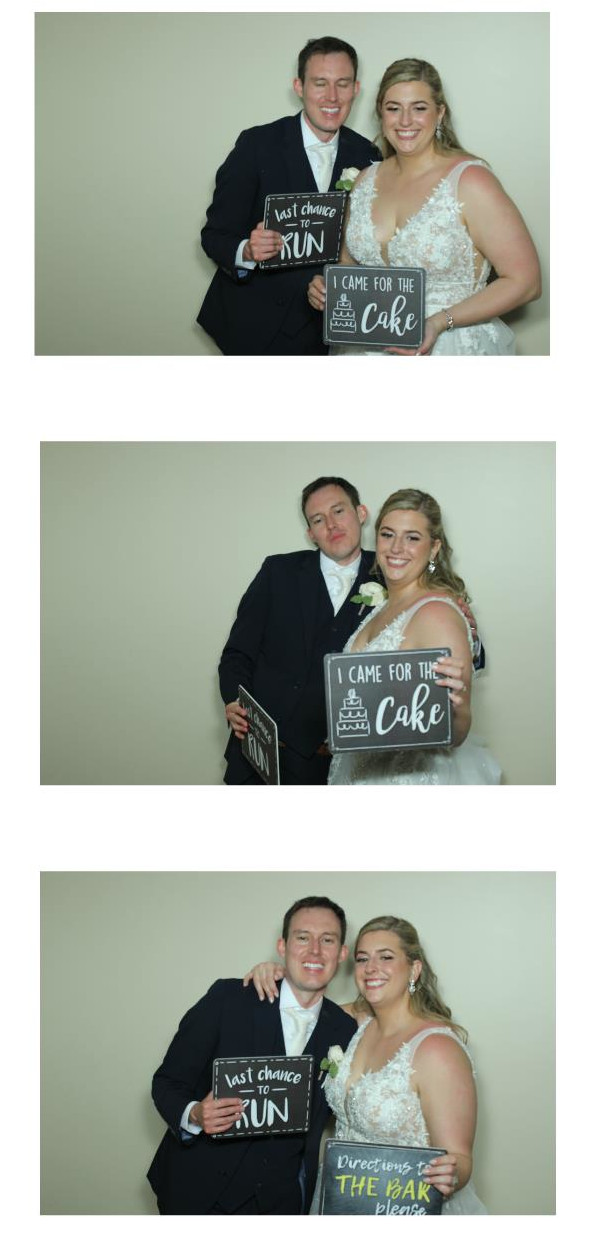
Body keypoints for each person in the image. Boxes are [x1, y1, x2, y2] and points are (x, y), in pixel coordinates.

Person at [244, 915, 487, 1214]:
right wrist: (273, 974)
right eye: (362, 959)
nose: (371, 968)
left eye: (386, 957)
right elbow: (300, 1002)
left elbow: (460, 1158)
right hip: (342, 1199)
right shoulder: (350, 1023)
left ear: (414, 969)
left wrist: (452, 1174)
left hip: (403, 1206)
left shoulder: (437, 1049)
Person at [308, 58, 541, 355]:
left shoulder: (471, 181)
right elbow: (348, 266)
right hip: (367, 347)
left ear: (439, 113)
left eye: (419, 108)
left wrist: (439, 322)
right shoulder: (365, 180)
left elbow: (526, 282)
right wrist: (329, 287)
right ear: (381, 112)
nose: (405, 121)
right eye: (393, 108)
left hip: (450, 345)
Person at [147, 896, 357, 1215]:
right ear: (283, 947)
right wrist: (194, 1114)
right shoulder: (228, 999)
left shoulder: (344, 1028)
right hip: (198, 1193)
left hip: (282, 1202)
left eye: (327, 940)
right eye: (303, 937)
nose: (315, 950)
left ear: (341, 953)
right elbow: (167, 1082)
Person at [197, 37, 381, 355]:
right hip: (253, 329)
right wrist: (247, 251)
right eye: (320, 83)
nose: (332, 97)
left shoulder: (369, 155)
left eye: (343, 84)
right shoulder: (256, 145)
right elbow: (214, 236)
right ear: (299, 86)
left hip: (328, 332)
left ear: (356, 89)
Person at [326, 488, 501, 784]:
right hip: (358, 773)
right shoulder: (381, 607)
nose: (396, 548)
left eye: (412, 538)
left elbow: (456, 732)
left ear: (433, 549)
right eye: (387, 534)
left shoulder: (437, 614)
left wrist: (456, 707)